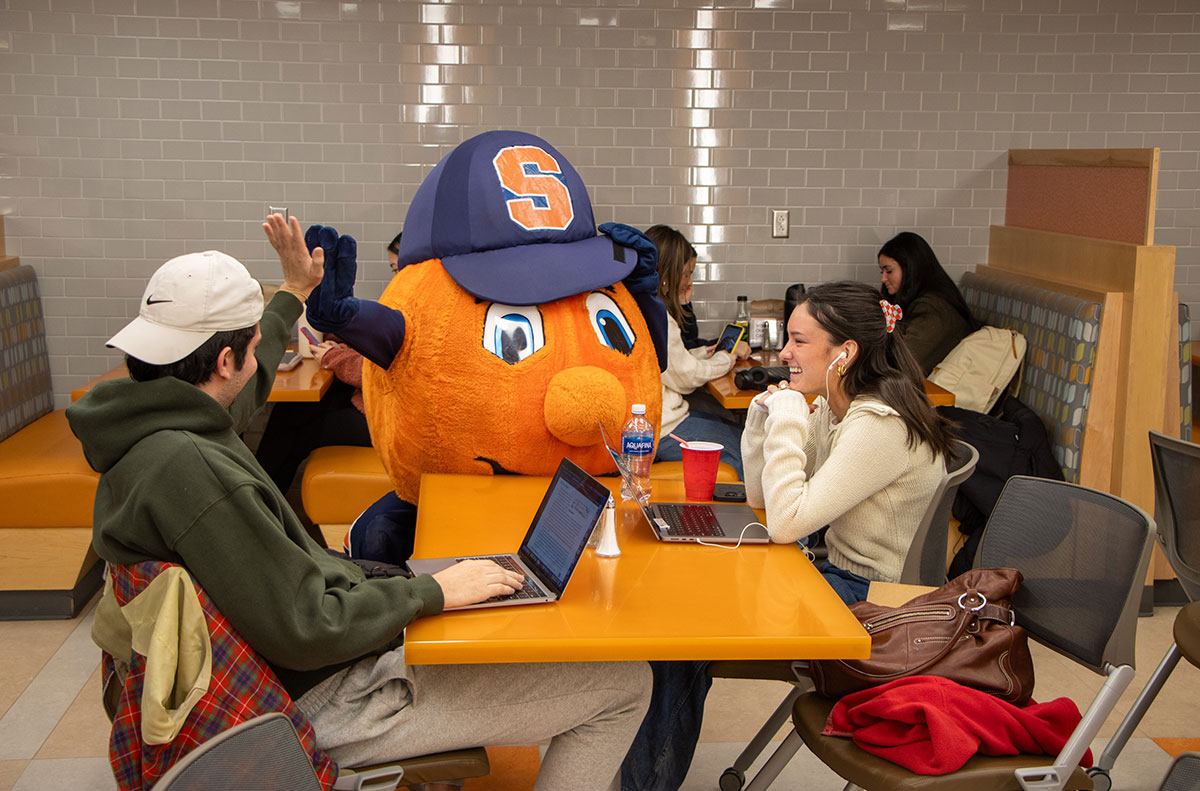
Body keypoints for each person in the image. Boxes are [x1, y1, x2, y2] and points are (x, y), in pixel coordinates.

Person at [67, 214, 651, 791]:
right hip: (319, 696)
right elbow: (306, 629)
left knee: (474, 592)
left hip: (300, 657)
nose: (258, 361)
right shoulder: (195, 474)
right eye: (247, 351)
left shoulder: (152, 428)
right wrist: (436, 592)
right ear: (223, 363)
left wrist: (293, 293)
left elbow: (248, 379)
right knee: (624, 686)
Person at [621, 280, 955, 791]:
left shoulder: (879, 425)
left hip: (872, 604)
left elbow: (786, 524)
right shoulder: (840, 409)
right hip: (833, 577)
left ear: (844, 353)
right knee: (683, 614)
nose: (784, 353)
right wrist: (761, 424)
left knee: (679, 640)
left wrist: (791, 422)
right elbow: (763, 497)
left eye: (798, 341)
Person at [646, 224, 750, 478]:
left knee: (737, 431)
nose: (690, 281)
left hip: (659, 422)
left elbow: (669, 363)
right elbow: (686, 378)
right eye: (686, 274)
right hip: (663, 427)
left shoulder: (645, 307)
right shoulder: (658, 317)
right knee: (745, 451)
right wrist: (726, 358)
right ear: (667, 275)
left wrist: (705, 352)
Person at [878, 231, 975, 375]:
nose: (883, 279)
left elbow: (904, 362)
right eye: (882, 272)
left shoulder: (933, 309)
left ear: (910, 268)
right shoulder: (922, 303)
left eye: (889, 271)